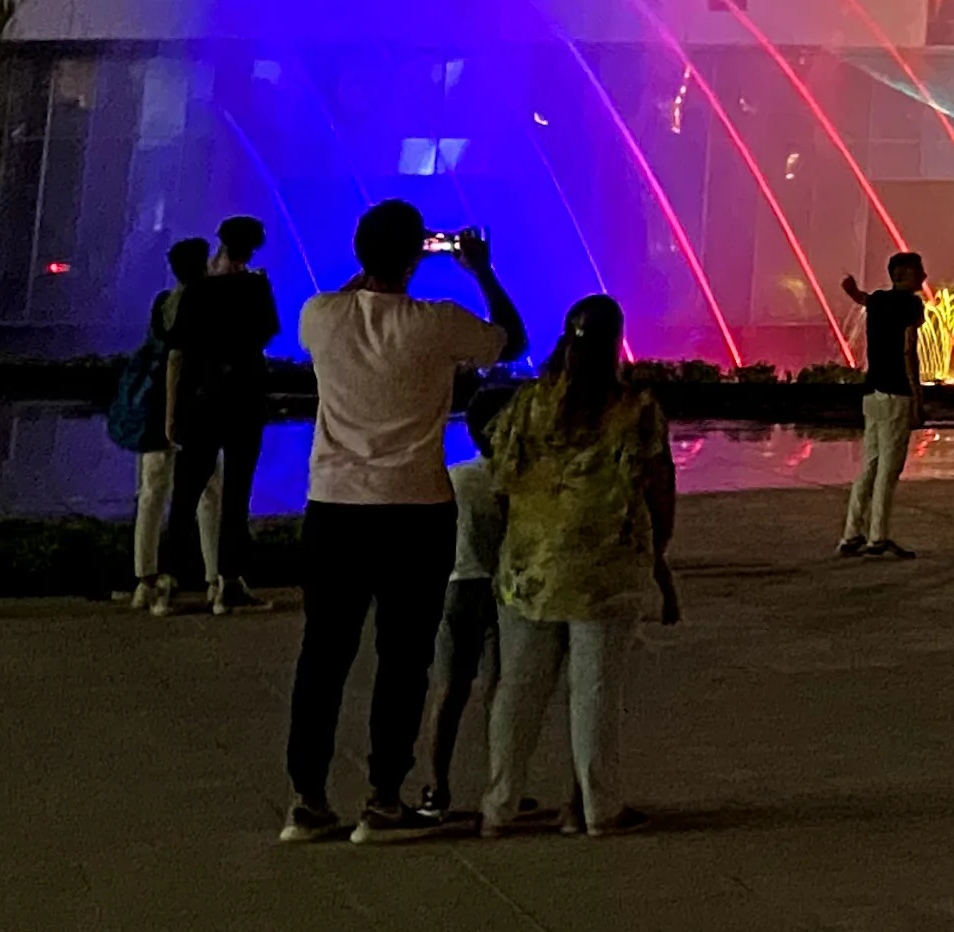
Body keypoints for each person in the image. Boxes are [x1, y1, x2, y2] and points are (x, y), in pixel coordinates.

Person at [278, 201, 523, 845]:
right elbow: (512, 339)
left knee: (323, 657)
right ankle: (383, 799)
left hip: (333, 508)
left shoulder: (319, 316)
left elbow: (354, 292)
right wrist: (480, 271)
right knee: (403, 658)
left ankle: (306, 802)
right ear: (419, 253)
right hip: (415, 509)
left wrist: (379, 264)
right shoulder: (438, 323)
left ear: (359, 255)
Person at [482, 294, 677, 840]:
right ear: (615, 341)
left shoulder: (530, 403)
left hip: (530, 567)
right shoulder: (635, 409)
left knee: (518, 688)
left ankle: (498, 806)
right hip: (606, 570)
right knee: (594, 692)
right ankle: (598, 809)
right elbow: (661, 490)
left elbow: (501, 478)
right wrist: (659, 554)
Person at [160, 214, 283, 614]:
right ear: (252, 247)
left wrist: (172, 411)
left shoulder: (198, 289)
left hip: (200, 402)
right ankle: (227, 583)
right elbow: (266, 332)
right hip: (244, 401)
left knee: (185, 494)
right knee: (237, 495)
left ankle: (169, 583)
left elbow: (176, 345)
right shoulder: (255, 286)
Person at [418, 384, 516, 824]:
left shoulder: (457, 477)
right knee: (501, 691)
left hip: (456, 587)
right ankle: (502, 784)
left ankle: (436, 785)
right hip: (501, 591)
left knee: (449, 690)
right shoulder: (515, 482)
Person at [121, 234, 215, 612]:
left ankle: (144, 578)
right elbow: (182, 359)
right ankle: (214, 578)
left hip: (154, 409)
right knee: (209, 492)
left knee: (151, 492)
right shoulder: (206, 305)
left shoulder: (163, 303)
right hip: (189, 410)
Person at [832, 249, 927, 559]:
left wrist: (851, 289)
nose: (924, 277)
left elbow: (861, 298)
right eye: (918, 271)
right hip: (896, 394)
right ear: (903, 275)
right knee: (889, 469)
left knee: (869, 466)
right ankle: (878, 537)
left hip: (870, 393)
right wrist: (917, 396)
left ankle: (851, 534)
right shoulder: (911, 304)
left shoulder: (878, 300)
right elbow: (908, 351)